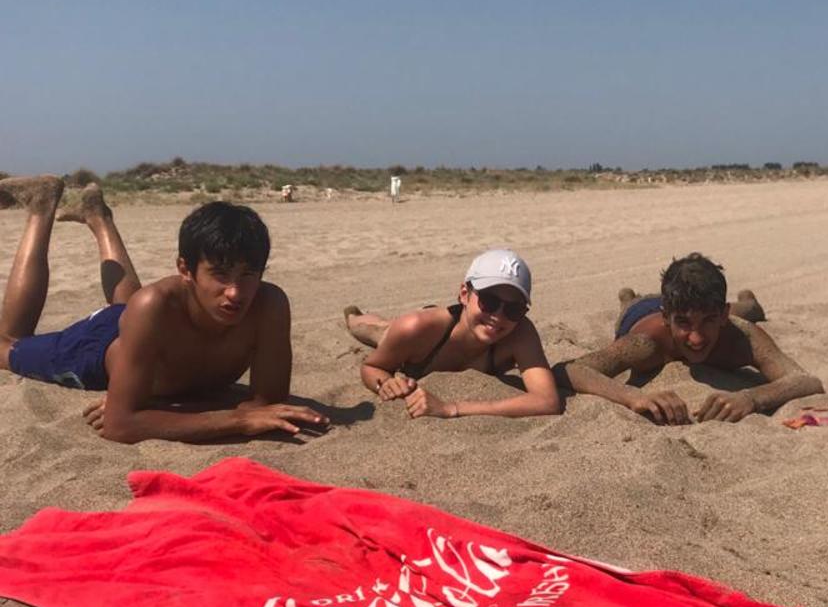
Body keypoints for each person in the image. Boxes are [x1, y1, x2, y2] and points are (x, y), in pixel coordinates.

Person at [0, 176, 327, 443]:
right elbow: (119, 424)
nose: (235, 292)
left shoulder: (269, 305)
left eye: (248, 275)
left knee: (136, 306)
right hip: (95, 347)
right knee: (7, 343)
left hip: (142, 328)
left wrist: (161, 409)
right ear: (185, 269)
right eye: (220, 274)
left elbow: (267, 404)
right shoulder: (152, 306)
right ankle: (41, 207)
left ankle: (98, 216)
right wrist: (237, 419)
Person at [563, 253, 823, 424]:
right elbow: (572, 369)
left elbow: (806, 380)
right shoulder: (645, 342)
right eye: (684, 324)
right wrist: (633, 396)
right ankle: (627, 298)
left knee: (749, 311)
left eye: (708, 321)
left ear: (723, 315)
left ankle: (749, 301)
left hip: (689, 305)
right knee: (628, 310)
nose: (696, 338)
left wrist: (751, 397)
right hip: (641, 313)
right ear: (667, 319)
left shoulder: (742, 335)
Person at [344, 248, 560, 419]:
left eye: (514, 309)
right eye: (489, 302)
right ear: (464, 294)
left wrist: (452, 408)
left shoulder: (520, 332)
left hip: (440, 328)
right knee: (378, 330)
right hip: (428, 330)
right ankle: (354, 317)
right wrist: (385, 383)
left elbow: (547, 401)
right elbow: (372, 367)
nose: (498, 316)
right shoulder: (417, 328)